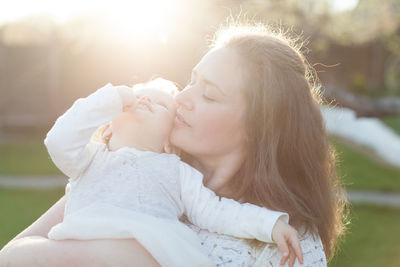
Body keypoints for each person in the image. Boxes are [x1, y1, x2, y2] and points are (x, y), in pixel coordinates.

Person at [0, 23, 347, 267]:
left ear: (260, 129)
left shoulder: (287, 244)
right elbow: (11, 257)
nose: (182, 98)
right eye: (191, 81)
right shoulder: (125, 171)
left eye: (209, 94)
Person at [43, 77, 301, 267]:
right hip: (85, 251)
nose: (145, 100)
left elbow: (217, 211)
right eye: (134, 98)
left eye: (162, 104)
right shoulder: (89, 160)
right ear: (108, 126)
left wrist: (270, 224)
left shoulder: (176, 172)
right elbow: (58, 140)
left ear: (169, 141)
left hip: (154, 253)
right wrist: (112, 97)